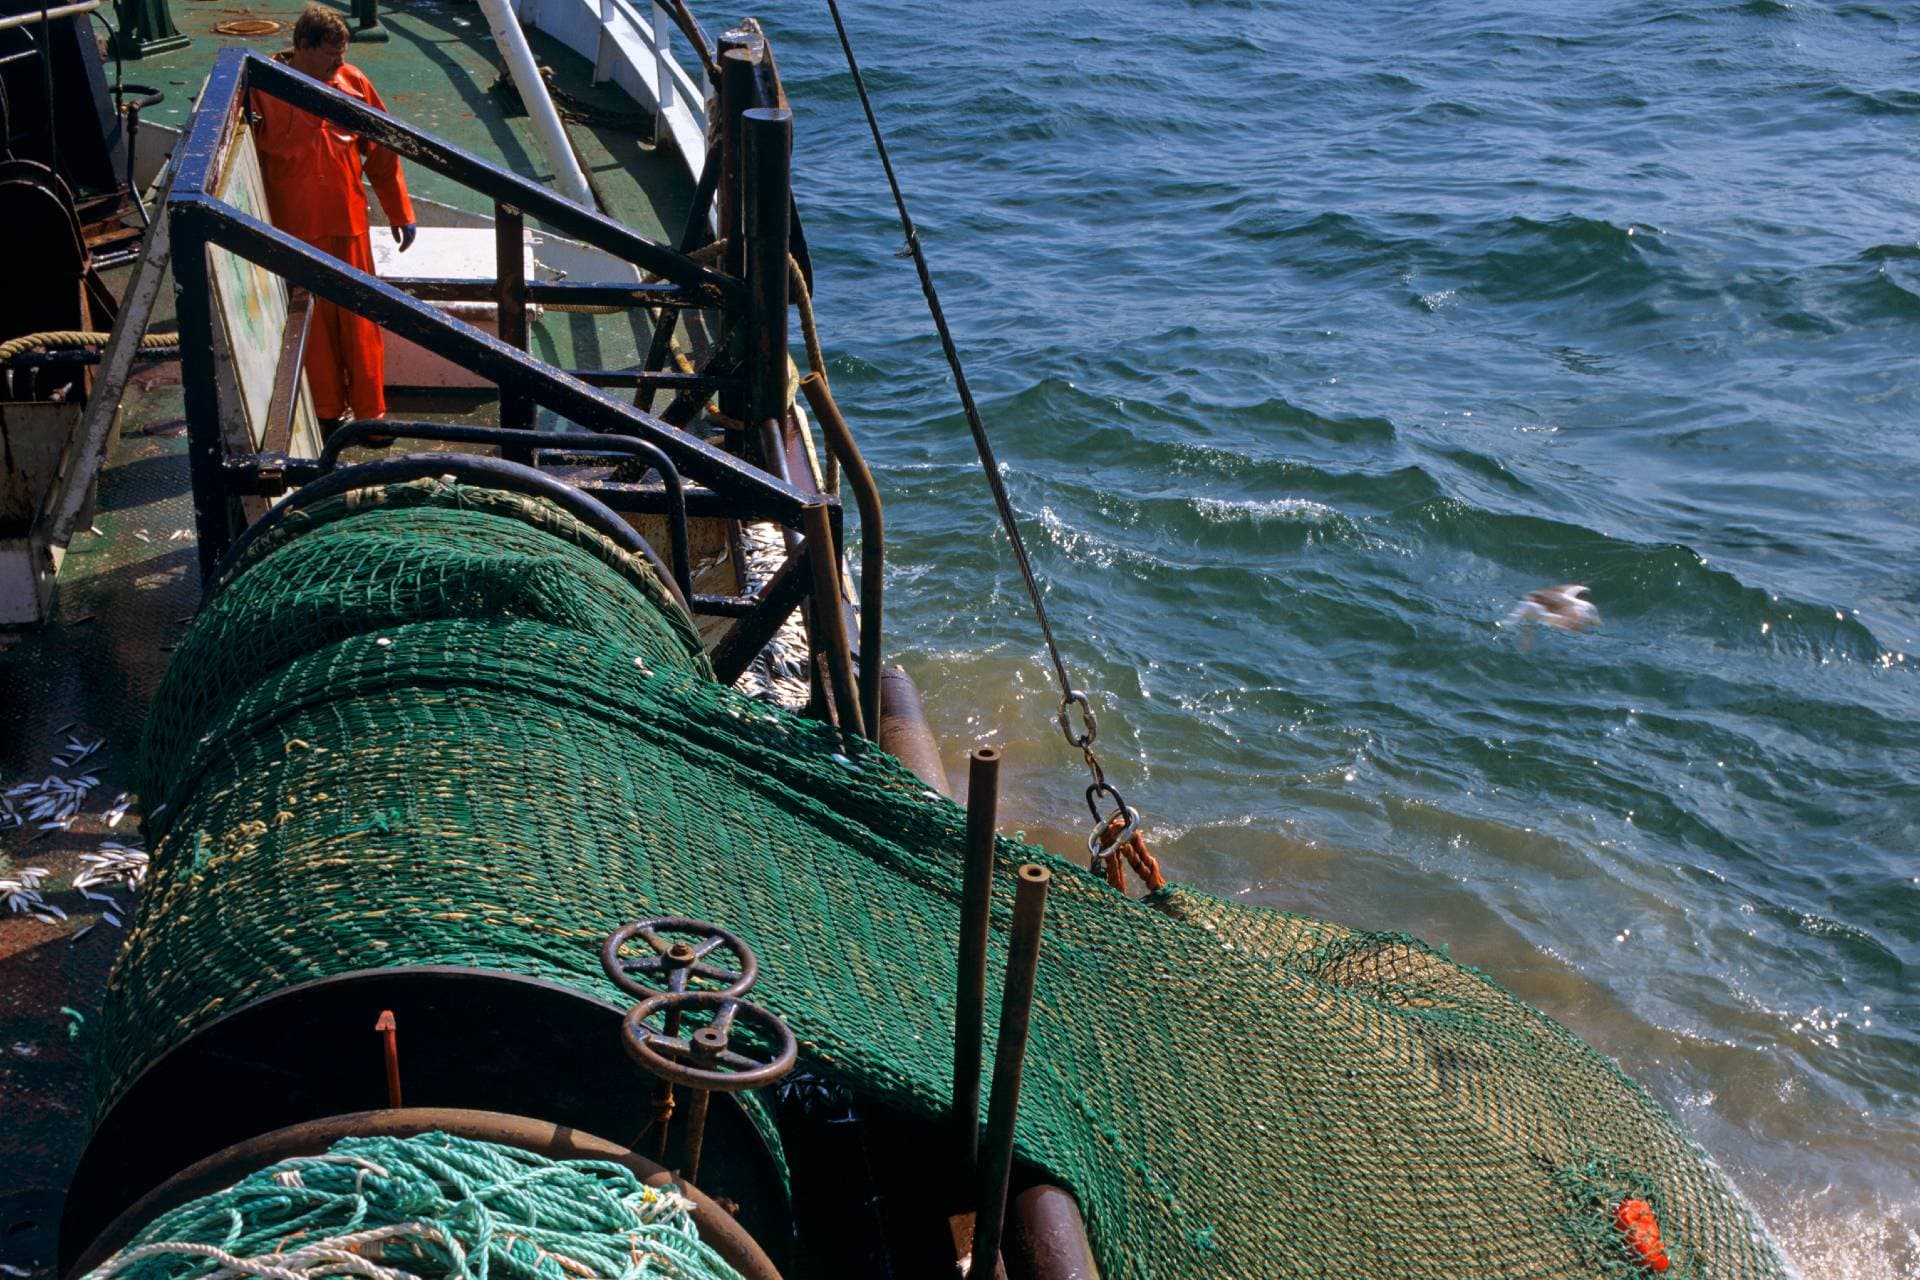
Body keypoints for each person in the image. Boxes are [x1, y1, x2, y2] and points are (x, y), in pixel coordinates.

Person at [250, 4, 416, 430]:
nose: (339, 64)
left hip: (349, 226)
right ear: (302, 47)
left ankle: (371, 417)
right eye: (331, 55)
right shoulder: (261, 87)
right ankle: (325, 415)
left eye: (342, 55)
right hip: (294, 230)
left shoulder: (354, 82)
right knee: (312, 328)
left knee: (361, 321)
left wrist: (399, 210)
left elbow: (381, 149)